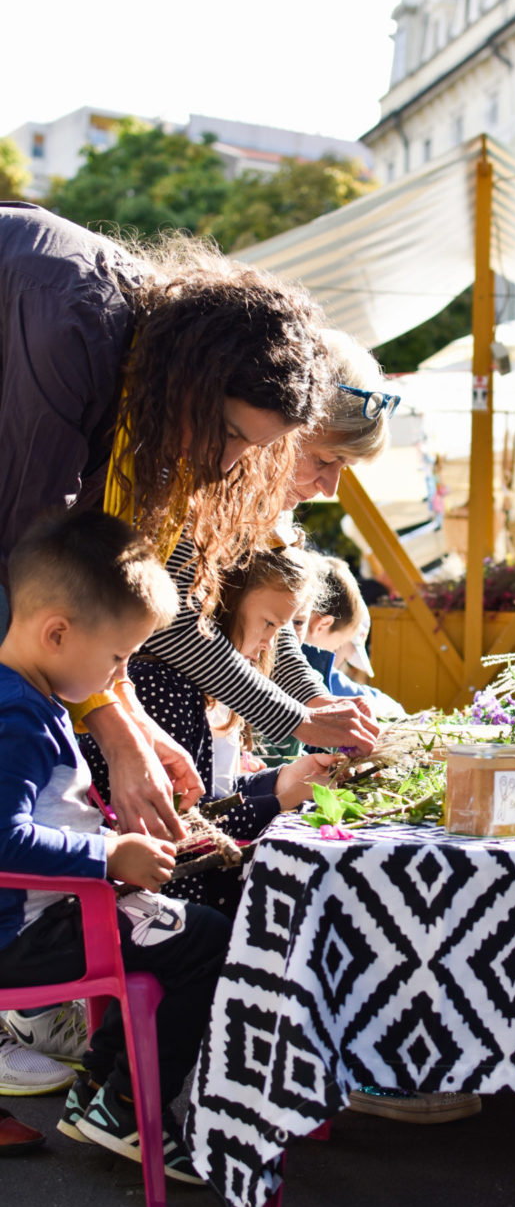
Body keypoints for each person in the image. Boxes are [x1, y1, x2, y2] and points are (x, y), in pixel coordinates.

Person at [0, 202, 338, 841]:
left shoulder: (150, 377)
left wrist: (133, 720)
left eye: (252, 448)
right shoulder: (70, 327)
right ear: (191, 379)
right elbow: (33, 561)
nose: (225, 464)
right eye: (227, 432)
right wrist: (117, 732)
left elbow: (109, 569)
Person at [0, 510, 231, 1178]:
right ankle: (126, 1108)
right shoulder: (17, 717)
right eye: (116, 658)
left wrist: (115, 848)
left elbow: (50, 819)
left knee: (179, 928)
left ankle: (98, 1092)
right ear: (57, 633)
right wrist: (107, 857)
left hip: (48, 919)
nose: (118, 677)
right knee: (205, 939)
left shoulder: (32, 699)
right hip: (22, 938)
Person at [137, 328, 395, 772]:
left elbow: (278, 628)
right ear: (283, 430)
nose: (330, 487)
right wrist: (298, 718)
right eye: (324, 460)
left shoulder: (268, 504)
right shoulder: (199, 483)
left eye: (344, 468)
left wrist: (315, 701)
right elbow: (171, 623)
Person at [81, 545, 340, 913]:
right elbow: (182, 829)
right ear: (225, 605)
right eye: (269, 623)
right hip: (158, 898)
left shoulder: (198, 692)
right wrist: (278, 803)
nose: (271, 643)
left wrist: (282, 779)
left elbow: (211, 794)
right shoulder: (162, 687)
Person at [300, 554, 405, 719]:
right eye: (336, 647)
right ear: (321, 625)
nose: (340, 662)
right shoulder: (307, 670)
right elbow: (342, 688)